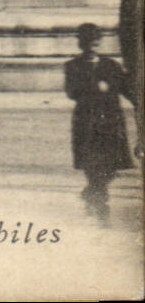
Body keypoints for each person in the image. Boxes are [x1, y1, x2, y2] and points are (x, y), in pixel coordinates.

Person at [64, 23, 135, 222]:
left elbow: (126, 89)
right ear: (81, 43)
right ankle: (101, 205)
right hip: (87, 122)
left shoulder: (111, 65)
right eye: (88, 41)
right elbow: (71, 92)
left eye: (95, 41)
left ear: (99, 42)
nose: (92, 45)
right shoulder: (72, 66)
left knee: (111, 166)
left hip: (111, 122)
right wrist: (95, 87)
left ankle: (91, 192)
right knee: (92, 164)